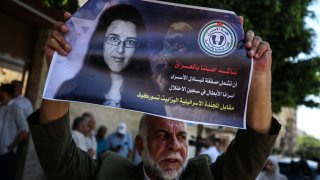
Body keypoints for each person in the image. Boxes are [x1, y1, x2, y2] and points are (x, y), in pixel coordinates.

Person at [31, 11, 279, 179]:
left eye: (182, 136)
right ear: (140, 144)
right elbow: (59, 158)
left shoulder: (206, 176)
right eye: (162, 134)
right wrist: (58, 69)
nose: (175, 145)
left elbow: (251, 149)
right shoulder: (108, 173)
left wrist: (260, 73)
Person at [54, 4, 149, 108]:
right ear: (101, 41)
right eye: (114, 39)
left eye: (130, 42)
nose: (120, 50)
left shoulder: (149, 95)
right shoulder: (72, 88)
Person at [0, 84, 29, 180]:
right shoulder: (1, 107)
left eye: (2, 92)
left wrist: (12, 146)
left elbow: (24, 130)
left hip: (6, 152)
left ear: (5, 93)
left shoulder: (16, 108)